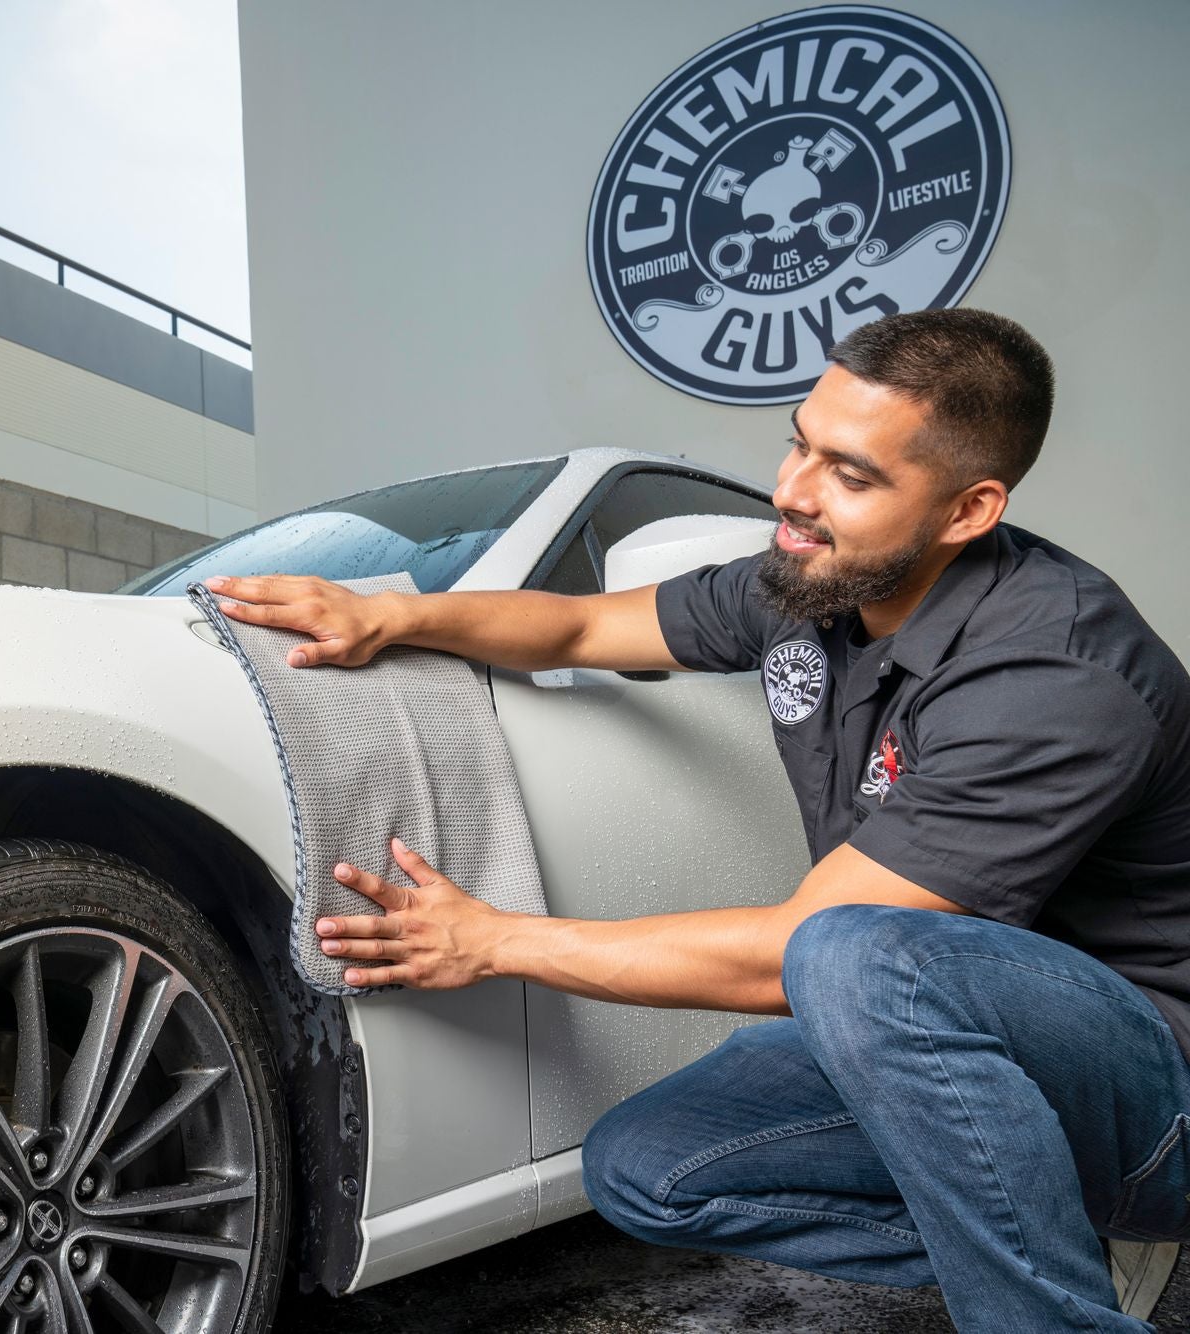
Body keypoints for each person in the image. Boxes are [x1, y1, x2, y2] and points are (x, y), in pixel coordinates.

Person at [205, 309, 1190, 1332]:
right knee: (646, 1169)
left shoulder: (1055, 668)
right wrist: (393, 615)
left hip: (1153, 1086)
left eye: (848, 475)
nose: (791, 492)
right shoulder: (811, 584)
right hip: (965, 1049)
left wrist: (497, 938)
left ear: (965, 508)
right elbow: (583, 622)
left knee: (848, 958)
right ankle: (1053, 1227)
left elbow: (797, 957)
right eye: (797, 443)